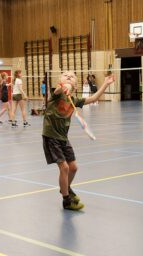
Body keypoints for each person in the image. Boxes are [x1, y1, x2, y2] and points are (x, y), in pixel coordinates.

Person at [42, 71, 115, 210]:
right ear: (60, 80)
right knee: (64, 167)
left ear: (76, 85)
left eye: (72, 76)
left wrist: (106, 83)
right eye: (65, 74)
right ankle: (66, 200)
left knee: (74, 167)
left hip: (63, 137)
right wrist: (65, 85)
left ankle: (65, 188)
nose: (69, 75)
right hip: (51, 135)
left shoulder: (74, 101)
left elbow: (93, 98)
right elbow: (60, 89)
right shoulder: (56, 95)